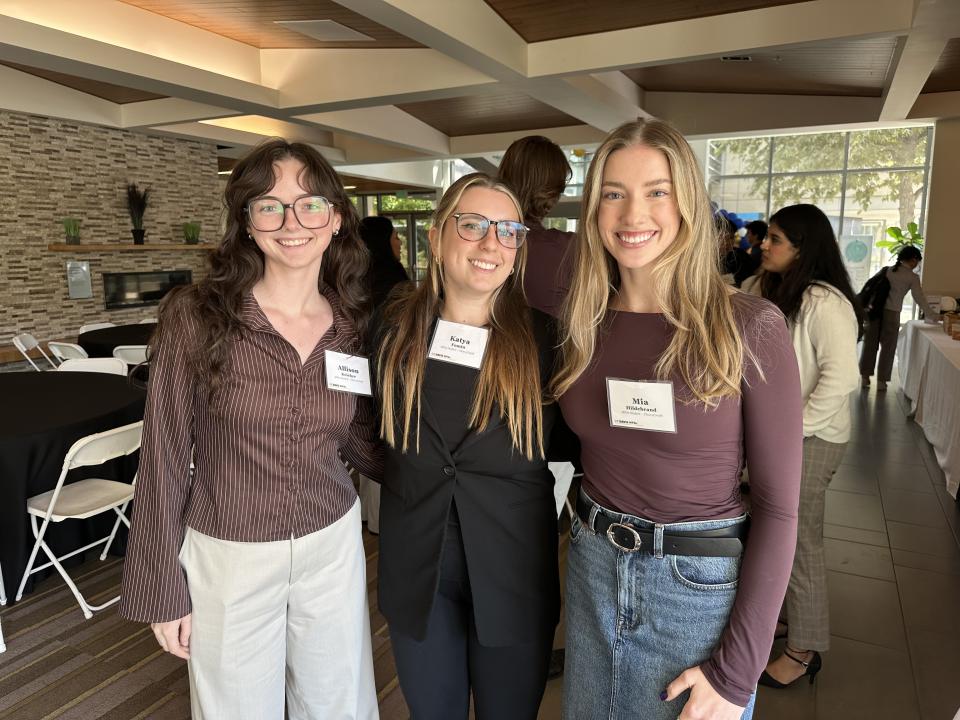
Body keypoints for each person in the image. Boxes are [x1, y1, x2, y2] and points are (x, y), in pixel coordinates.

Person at [525, 119, 803, 720]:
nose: (633, 214)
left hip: (694, 587)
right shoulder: (581, 320)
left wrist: (737, 673)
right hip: (592, 563)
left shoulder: (748, 326)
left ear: (688, 204)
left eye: (657, 190)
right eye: (614, 192)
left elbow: (780, 509)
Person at [119, 139, 382, 719]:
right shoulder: (197, 315)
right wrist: (162, 589)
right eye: (269, 205)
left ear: (336, 219)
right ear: (246, 220)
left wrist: (447, 466)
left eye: (310, 204)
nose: (292, 222)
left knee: (339, 705)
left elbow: (360, 439)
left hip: (330, 546)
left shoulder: (351, 325)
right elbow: (162, 456)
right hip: (228, 554)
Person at [372, 173, 561, 720]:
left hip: (514, 572)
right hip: (418, 573)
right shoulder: (389, 332)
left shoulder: (547, 342)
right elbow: (359, 426)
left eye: (507, 231)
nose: (490, 243)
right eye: (473, 225)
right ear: (435, 238)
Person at [742, 204, 861, 688]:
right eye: (766, 237)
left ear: (802, 249)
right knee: (767, 530)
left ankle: (803, 649)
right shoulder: (759, 289)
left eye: (774, 239)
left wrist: (790, 430)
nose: (762, 245)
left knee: (799, 537)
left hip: (814, 437)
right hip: (772, 436)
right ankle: (786, 616)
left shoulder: (824, 302)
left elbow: (841, 380)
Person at [357, 215, 412, 534]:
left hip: (355, 372)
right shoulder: (397, 284)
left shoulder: (351, 280)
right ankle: (379, 521)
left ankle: (367, 512)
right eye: (394, 235)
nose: (399, 241)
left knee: (364, 438)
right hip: (388, 375)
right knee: (384, 441)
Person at [859, 245, 935, 390]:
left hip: (874, 312)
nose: (917, 265)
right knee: (888, 348)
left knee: (870, 344)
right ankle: (882, 381)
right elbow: (919, 298)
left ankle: (864, 377)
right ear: (913, 260)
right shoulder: (912, 277)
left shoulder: (886, 270)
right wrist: (931, 314)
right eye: (917, 262)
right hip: (892, 314)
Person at [733, 220, 766, 286]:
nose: (746, 235)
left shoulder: (756, 254)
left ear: (755, 235)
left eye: (748, 233)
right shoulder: (755, 250)